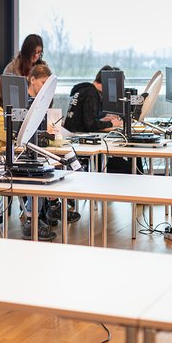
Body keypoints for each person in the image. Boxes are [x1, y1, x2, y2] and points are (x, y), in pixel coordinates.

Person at [25, 65, 81, 227]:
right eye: (43, 83)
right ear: (32, 80)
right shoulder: (25, 104)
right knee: (48, 164)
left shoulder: (39, 103)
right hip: (29, 151)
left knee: (65, 154)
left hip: (41, 147)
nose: (44, 89)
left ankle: (58, 202)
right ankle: (56, 203)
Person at [63, 65, 124, 133]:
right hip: (77, 136)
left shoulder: (84, 89)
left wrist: (101, 120)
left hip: (70, 133)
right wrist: (112, 123)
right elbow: (91, 125)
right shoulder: (91, 93)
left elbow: (85, 120)